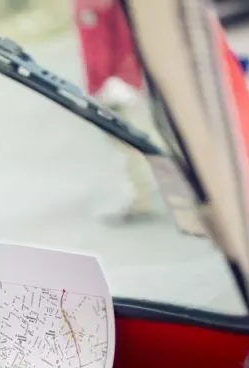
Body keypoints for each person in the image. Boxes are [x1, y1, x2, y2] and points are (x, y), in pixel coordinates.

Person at [72, 0, 158, 223]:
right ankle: (143, 193)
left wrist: (99, 85)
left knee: (126, 145)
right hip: (126, 76)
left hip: (113, 84)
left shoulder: (89, 3)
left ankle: (140, 199)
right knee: (136, 137)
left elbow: (95, 48)